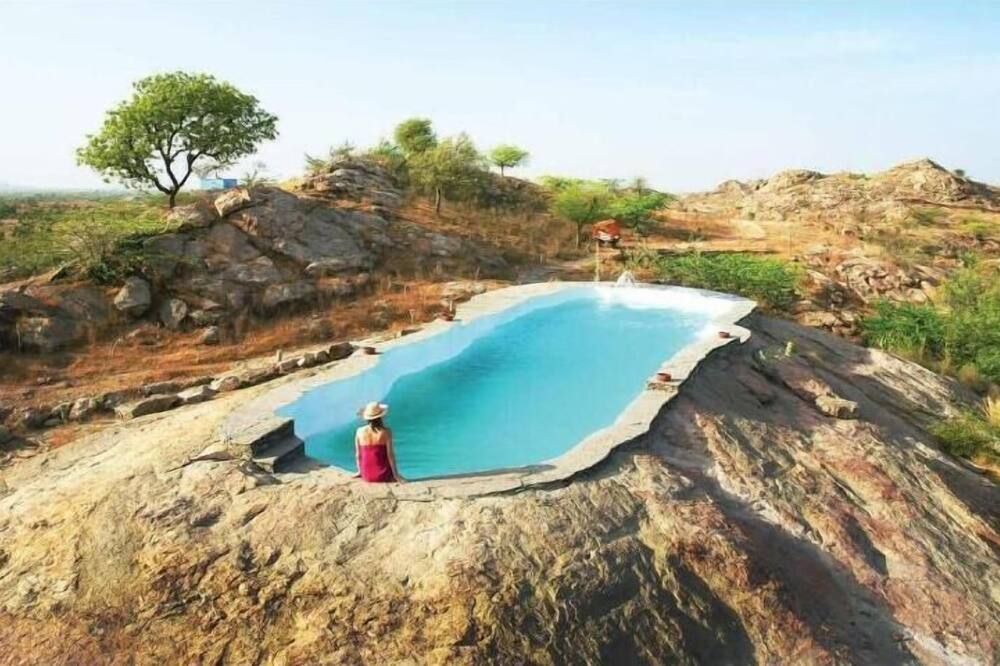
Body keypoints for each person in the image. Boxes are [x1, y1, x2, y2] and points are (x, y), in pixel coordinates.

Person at [355, 402, 403, 483]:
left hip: (366, 475)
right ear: (380, 417)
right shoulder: (386, 432)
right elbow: (390, 455)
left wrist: (360, 472)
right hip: (382, 475)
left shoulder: (359, 431)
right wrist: (396, 475)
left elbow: (358, 455)